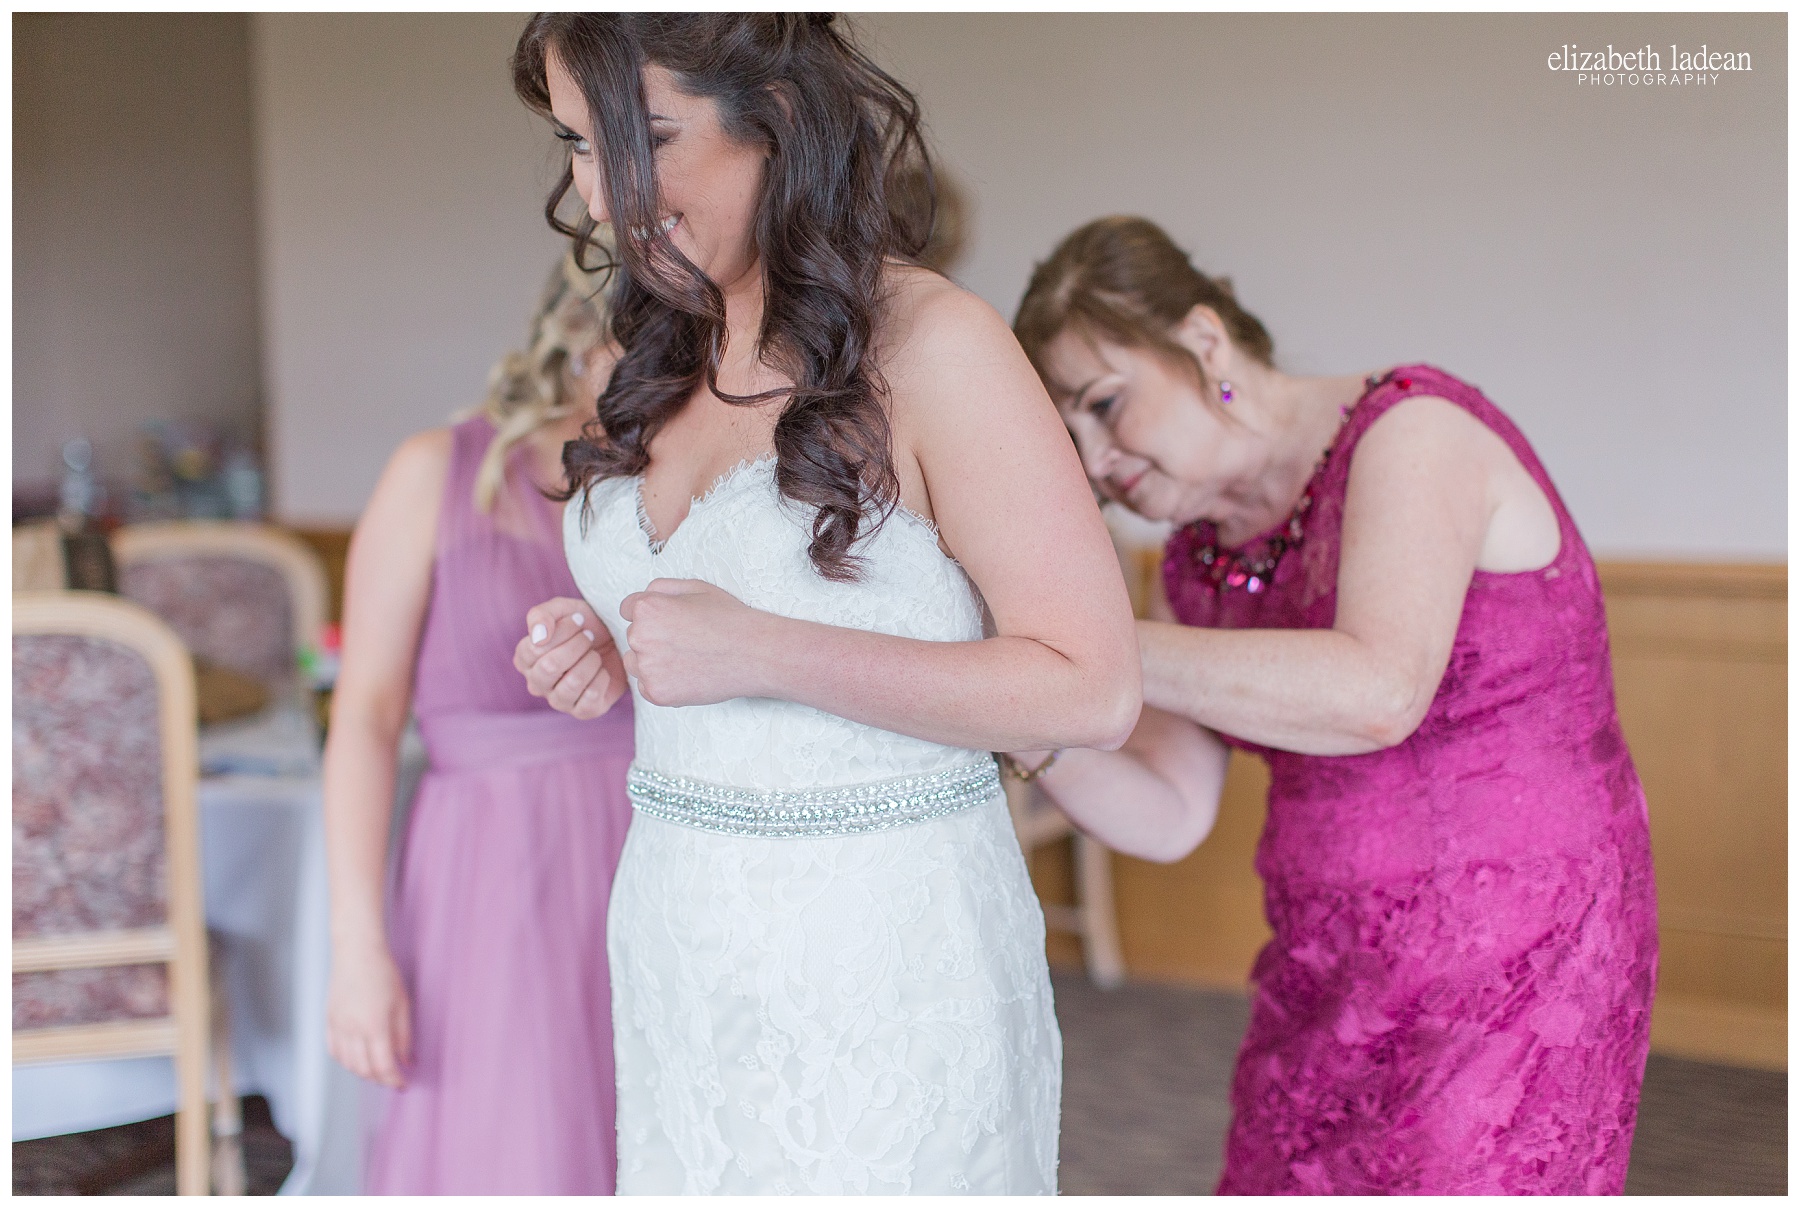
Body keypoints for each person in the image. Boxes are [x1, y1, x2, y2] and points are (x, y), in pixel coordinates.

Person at [508, 14, 1141, 1195]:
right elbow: (702, 597)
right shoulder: (640, 356)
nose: (602, 197)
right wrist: (604, 635)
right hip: (679, 935)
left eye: (642, 139)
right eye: (578, 146)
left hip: (885, 955)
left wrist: (764, 648)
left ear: (778, 120)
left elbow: (1090, 686)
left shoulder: (937, 345)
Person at [1007, 215, 1659, 1195]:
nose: (1097, 462)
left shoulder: (1412, 433)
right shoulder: (1194, 563)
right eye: (1073, 438)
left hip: (1523, 965)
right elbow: (1171, 812)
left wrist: (1094, 649)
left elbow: (1376, 690)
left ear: (1203, 340)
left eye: (1106, 405)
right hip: (1333, 974)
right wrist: (1027, 715)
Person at [322, 255, 635, 1194]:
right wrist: (358, 948)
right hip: (496, 869)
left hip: (661, 842)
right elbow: (366, 719)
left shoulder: (673, 482)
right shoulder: (438, 471)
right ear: (582, 334)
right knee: (515, 1144)